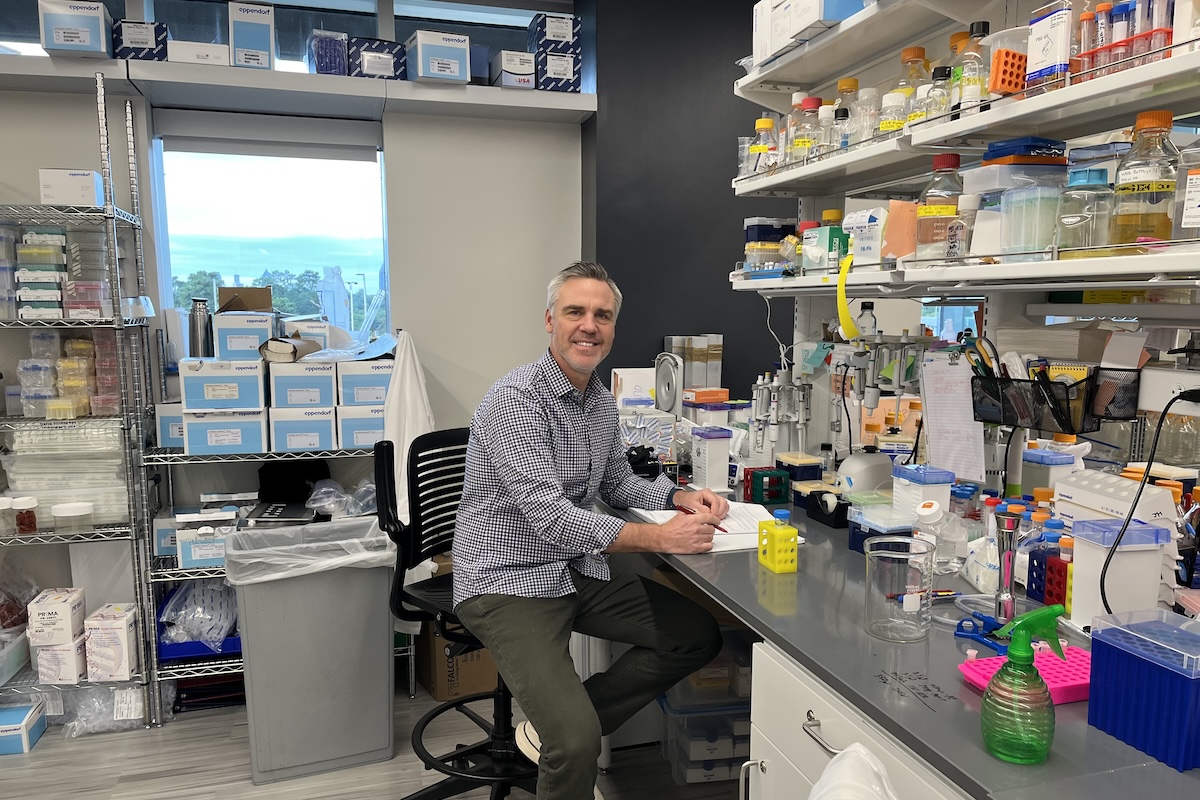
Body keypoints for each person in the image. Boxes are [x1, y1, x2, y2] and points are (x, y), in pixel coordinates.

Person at [453, 261, 728, 800]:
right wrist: (660, 537)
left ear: (613, 328)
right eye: (576, 312)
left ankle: (556, 729)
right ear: (549, 320)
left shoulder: (599, 399)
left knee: (694, 636)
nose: (589, 326)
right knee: (577, 745)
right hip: (505, 581)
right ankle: (568, 737)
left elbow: (619, 484)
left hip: (573, 571)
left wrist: (678, 497)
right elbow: (551, 518)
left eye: (602, 315)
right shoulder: (516, 399)